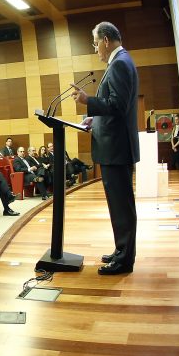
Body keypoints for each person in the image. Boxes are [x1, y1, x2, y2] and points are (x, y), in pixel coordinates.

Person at [73, 21, 140, 275]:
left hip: (117, 149)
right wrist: (94, 117)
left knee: (122, 206)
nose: (95, 49)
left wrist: (87, 101)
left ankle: (124, 261)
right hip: (114, 147)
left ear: (106, 40)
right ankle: (121, 250)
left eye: (94, 43)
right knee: (118, 205)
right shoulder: (120, 61)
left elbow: (118, 105)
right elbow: (113, 107)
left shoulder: (120, 63)